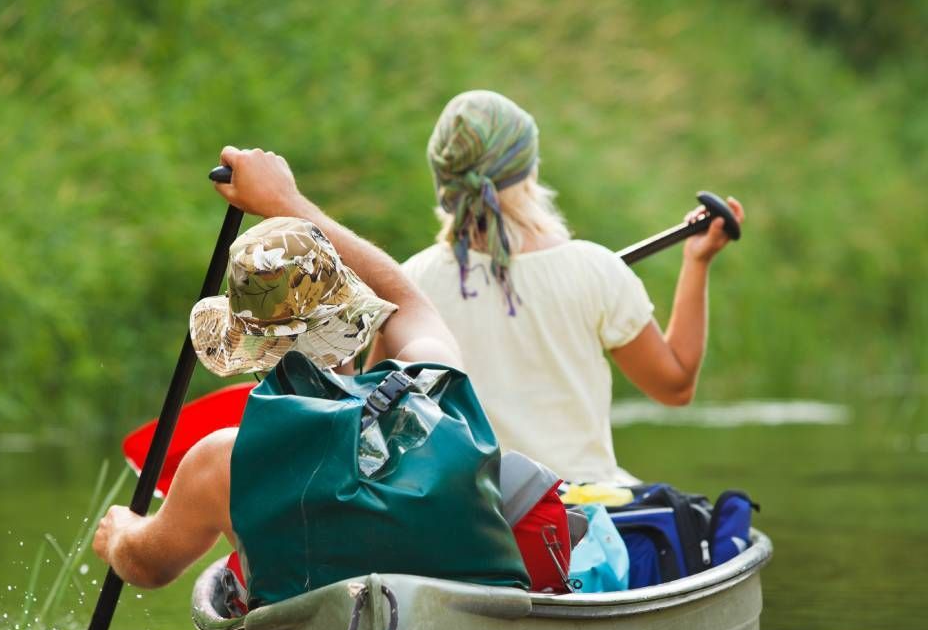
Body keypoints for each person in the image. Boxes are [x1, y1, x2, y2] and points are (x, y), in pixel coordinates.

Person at [94, 149, 462, 588]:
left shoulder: (224, 460)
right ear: (355, 321)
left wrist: (120, 534)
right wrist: (285, 200)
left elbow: (147, 565)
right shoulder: (428, 378)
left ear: (249, 353)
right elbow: (407, 301)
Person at [402, 89, 744, 485]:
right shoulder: (593, 269)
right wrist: (697, 261)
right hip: (580, 519)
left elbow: (380, 408)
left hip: (469, 515)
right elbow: (676, 385)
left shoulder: (411, 282)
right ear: (528, 171)